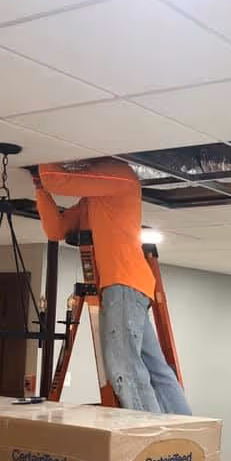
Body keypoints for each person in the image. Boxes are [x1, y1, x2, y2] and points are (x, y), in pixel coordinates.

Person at [32, 158, 191, 415]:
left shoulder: (121, 175)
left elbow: (57, 178)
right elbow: (56, 230)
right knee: (154, 368)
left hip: (123, 284)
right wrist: (41, 189)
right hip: (126, 287)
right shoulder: (91, 201)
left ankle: (146, 435)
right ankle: (185, 434)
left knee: (124, 367)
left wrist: (42, 165)